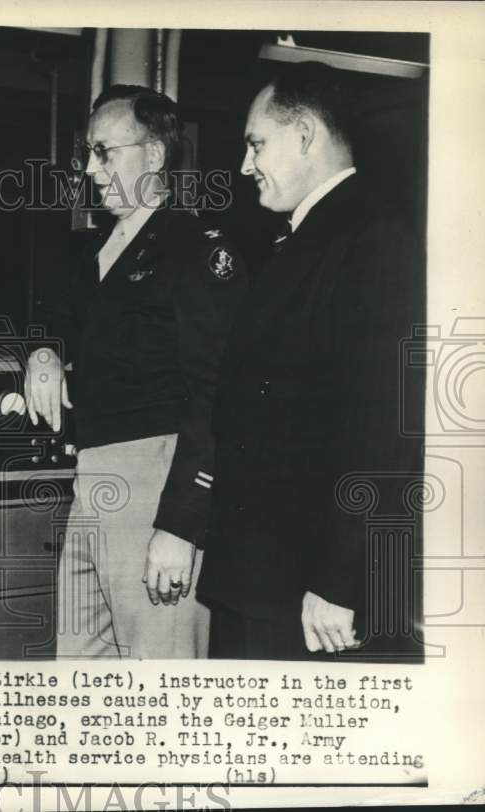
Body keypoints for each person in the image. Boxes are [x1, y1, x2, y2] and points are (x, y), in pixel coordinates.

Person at [198, 61, 423, 660]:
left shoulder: (375, 239)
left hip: (308, 590)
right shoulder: (303, 236)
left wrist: (341, 578)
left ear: (303, 135)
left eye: (256, 144)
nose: (246, 166)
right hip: (259, 579)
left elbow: (383, 429)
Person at [29, 85, 248, 658]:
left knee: (162, 679)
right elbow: (55, 317)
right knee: (81, 672)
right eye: (89, 153)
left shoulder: (195, 248)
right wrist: (45, 353)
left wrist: (180, 526)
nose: (90, 169)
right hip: (93, 477)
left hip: (157, 480)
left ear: (153, 156)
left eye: (106, 152)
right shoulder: (97, 251)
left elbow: (218, 395)